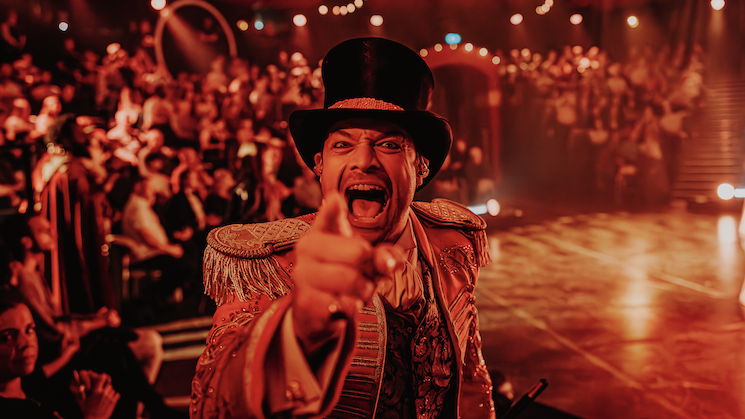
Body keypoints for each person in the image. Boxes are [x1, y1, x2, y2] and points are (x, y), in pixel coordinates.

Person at [191, 38, 495, 419]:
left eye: (388, 144)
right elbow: (212, 401)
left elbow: (471, 381)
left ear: (420, 167)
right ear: (319, 165)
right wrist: (300, 327)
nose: (364, 160)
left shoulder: (453, 242)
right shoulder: (265, 265)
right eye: (343, 145)